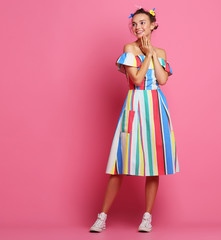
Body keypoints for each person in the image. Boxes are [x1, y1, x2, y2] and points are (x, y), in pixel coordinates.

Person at [89, 7, 180, 233]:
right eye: (135, 24)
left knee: (154, 165)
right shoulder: (129, 49)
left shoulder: (162, 52)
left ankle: (147, 217)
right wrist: (148, 55)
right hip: (134, 106)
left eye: (142, 23)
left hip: (156, 108)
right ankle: (102, 217)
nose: (138, 27)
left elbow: (162, 80)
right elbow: (138, 80)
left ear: (153, 25)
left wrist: (153, 54)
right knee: (119, 164)